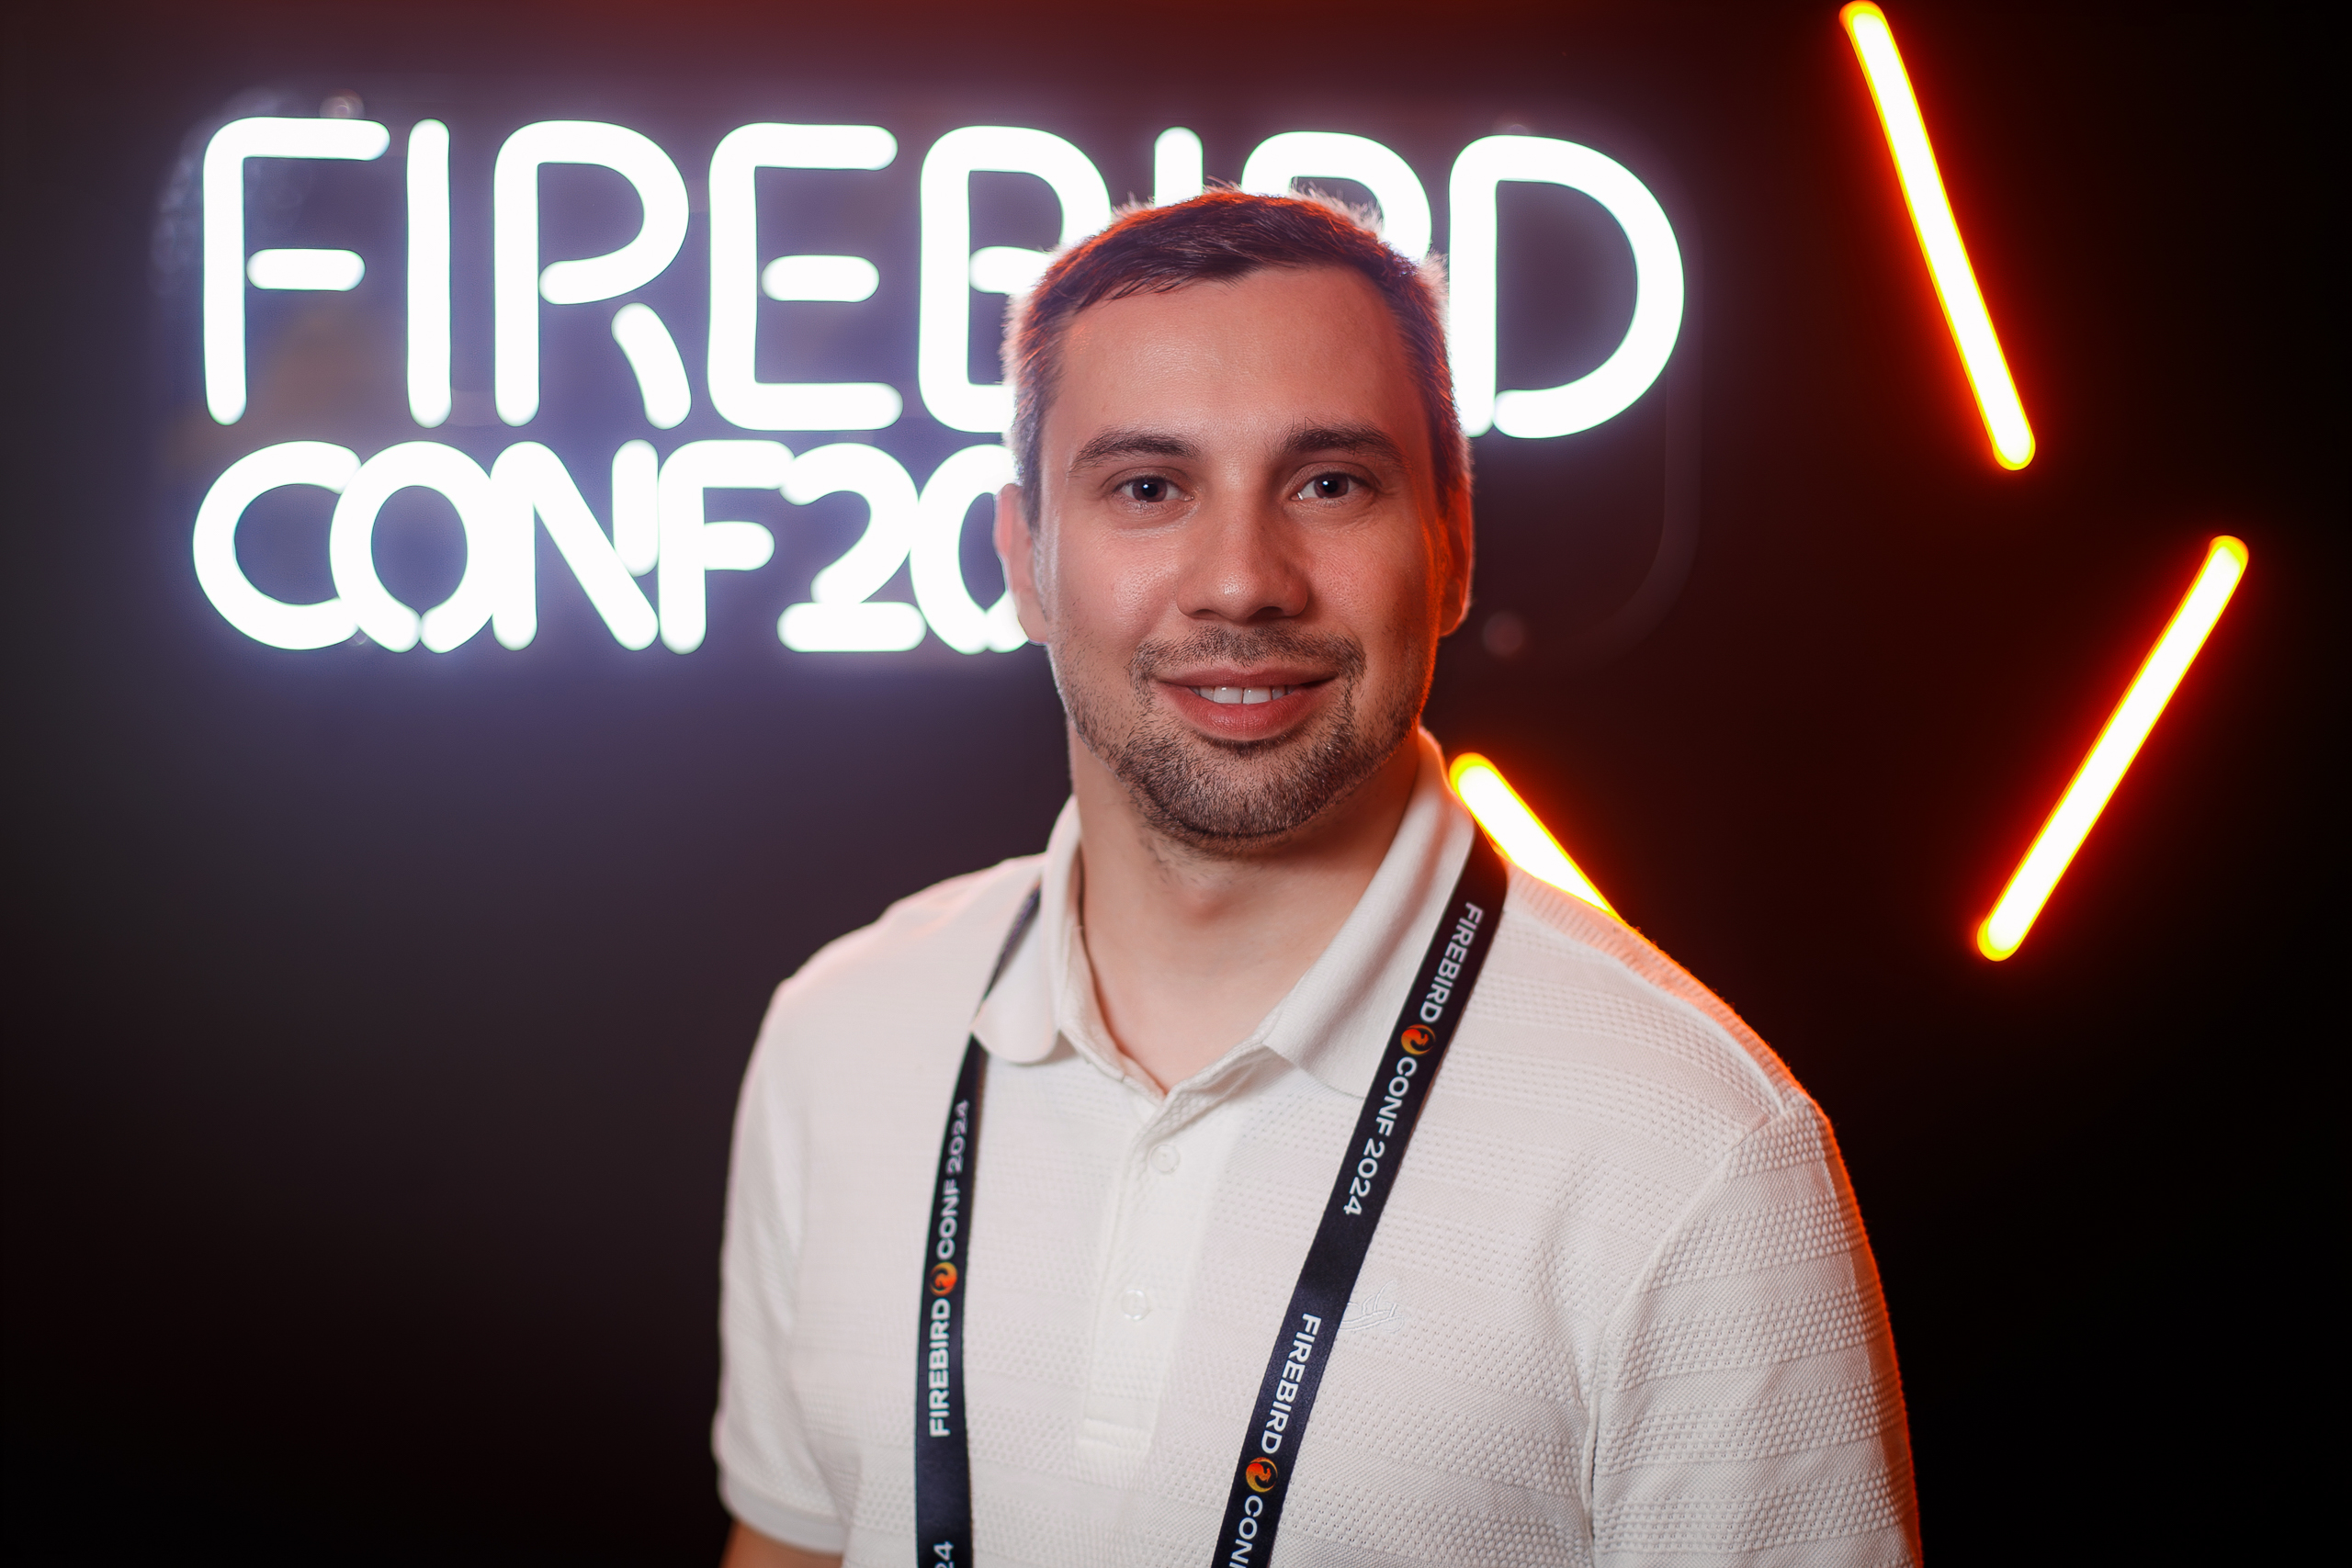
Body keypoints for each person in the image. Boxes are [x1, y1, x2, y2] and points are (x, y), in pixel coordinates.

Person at [714, 191, 1920, 1567]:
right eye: (1148, 487)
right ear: (1024, 563)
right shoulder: (842, 1032)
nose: (1242, 583)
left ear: (1453, 547)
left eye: (1330, 483)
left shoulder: (1697, 1151)